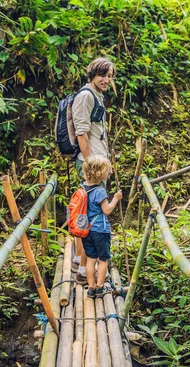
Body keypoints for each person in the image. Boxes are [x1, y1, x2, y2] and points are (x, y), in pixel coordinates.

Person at [72, 57, 116, 283]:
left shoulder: (96, 96)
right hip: (91, 164)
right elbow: (81, 133)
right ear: (92, 76)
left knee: (89, 213)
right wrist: (92, 166)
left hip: (98, 163)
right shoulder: (85, 96)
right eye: (103, 75)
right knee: (88, 215)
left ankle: (82, 260)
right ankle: (82, 268)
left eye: (109, 76)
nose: (107, 80)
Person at [80, 155, 122, 298]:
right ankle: (99, 286)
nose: (108, 173)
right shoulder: (100, 191)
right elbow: (107, 210)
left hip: (87, 230)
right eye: (106, 171)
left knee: (91, 259)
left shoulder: (82, 189)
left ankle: (90, 288)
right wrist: (115, 199)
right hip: (100, 230)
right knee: (103, 259)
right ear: (99, 173)